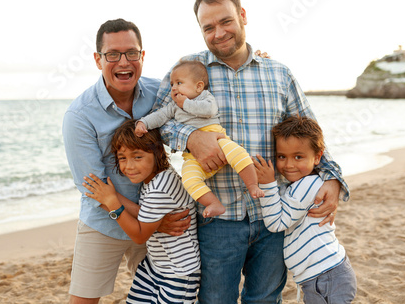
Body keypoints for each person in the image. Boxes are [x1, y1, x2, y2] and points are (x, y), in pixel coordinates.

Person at [154, 0, 350, 303]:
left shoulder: (279, 74)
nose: (218, 33)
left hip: (274, 215)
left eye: (226, 21)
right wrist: (190, 137)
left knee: (265, 299)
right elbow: (157, 122)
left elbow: (311, 132)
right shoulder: (187, 71)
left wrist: (333, 178)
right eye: (208, 27)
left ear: (242, 16)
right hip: (219, 220)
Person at [62, 19, 190, 304]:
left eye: (132, 53)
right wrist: (154, 220)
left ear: (142, 56)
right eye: (112, 54)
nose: (124, 62)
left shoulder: (161, 93)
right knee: (82, 300)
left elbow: (203, 93)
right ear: (98, 60)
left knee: (170, 295)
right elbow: (96, 189)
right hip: (105, 221)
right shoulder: (79, 116)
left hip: (158, 217)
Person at [83, 119, 201, 303]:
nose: (129, 166)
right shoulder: (159, 176)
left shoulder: (159, 189)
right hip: (156, 265)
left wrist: (112, 202)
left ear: (158, 153)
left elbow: (139, 236)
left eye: (137, 157)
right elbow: (145, 215)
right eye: (122, 158)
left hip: (178, 272)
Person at [135, 60, 264, 218]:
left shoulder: (205, 97)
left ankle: (252, 185)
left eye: (179, 83)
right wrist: (143, 123)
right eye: (172, 84)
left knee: (239, 153)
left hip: (217, 138)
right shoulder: (174, 106)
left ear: (199, 86)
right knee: (188, 179)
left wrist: (186, 104)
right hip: (193, 155)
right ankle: (213, 203)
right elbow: (159, 116)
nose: (174, 87)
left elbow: (209, 110)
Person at [254, 116, 357, 303]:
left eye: (298, 157)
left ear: (318, 157)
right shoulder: (299, 184)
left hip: (326, 276)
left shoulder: (308, 186)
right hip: (322, 275)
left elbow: (277, 224)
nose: (289, 165)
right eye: (281, 157)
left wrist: (268, 184)